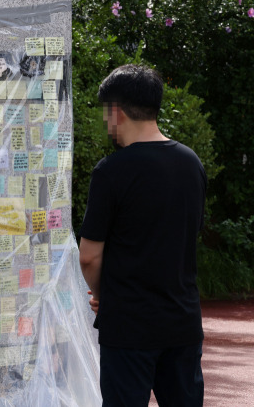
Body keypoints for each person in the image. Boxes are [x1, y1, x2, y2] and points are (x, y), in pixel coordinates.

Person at [78, 64, 206, 406]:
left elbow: (89, 255)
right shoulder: (191, 164)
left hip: (129, 326)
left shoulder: (111, 171)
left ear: (116, 112)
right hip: (183, 322)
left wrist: (105, 295)